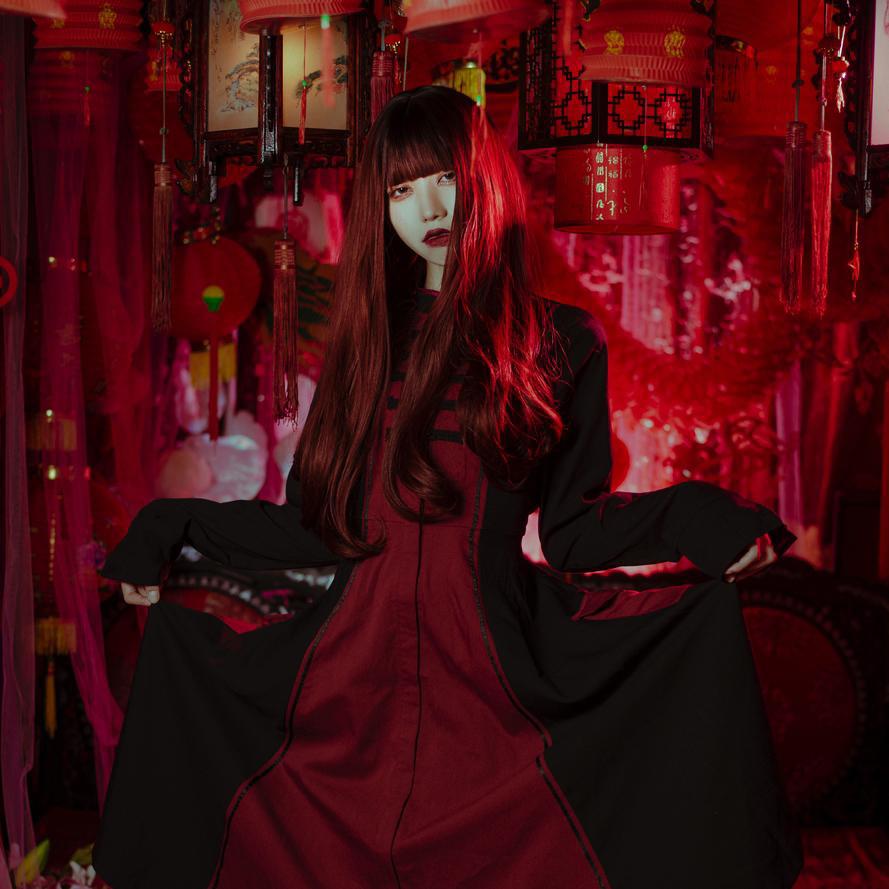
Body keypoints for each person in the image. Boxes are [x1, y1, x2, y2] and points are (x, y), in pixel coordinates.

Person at [94, 85, 802, 889]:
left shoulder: (561, 338)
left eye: (442, 179)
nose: (425, 207)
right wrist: (172, 527)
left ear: (482, 180)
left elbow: (573, 530)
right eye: (400, 189)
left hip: (498, 685)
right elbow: (312, 528)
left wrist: (699, 514)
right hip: (346, 681)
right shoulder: (365, 345)